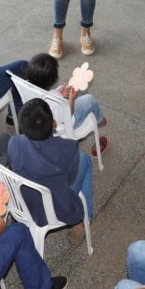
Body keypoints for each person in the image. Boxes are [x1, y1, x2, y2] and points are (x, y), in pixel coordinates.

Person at [9, 99, 94, 243]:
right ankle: (83, 220)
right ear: (53, 123)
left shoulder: (14, 143)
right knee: (85, 159)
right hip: (57, 206)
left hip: (24, 203)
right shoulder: (69, 147)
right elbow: (71, 180)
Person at [22, 52, 108, 153]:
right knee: (89, 99)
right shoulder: (55, 101)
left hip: (40, 122)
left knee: (85, 100)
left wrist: (58, 91)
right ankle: (100, 120)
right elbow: (68, 115)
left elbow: (49, 94)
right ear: (53, 80)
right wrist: (71, 99)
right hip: (64, 126)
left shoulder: (26, 86)